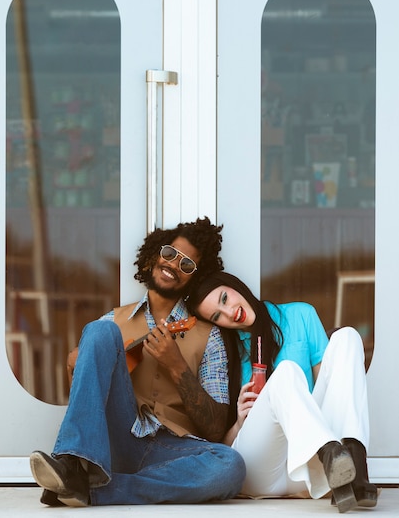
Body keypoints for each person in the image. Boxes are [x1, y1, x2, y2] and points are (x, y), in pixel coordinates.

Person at [29, 218, 246, 507]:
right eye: (170, 253)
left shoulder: (210, 335)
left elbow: (216, 430)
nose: (173, 265)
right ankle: (71, 463)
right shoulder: (112, 321)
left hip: (171, 452)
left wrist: (176, 365)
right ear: (154, 255)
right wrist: (76, 364)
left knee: (230, 466)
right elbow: (87, 399)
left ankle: (91, 490)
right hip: (117, 438)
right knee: (99, 331)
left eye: (187, 265)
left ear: (195, 277)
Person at [187, 271, 377, 514]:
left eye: (224, 299)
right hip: (263, 472)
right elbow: (223, 449)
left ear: (235, 286)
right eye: (217, 316)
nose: (229, 312)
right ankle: (332, 454)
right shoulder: (223, 351)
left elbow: (332, 391)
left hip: (310, 470)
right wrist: (238, 422)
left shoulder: (300, 315)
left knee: (347, 337)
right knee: (286, 372)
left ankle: (355, 471)